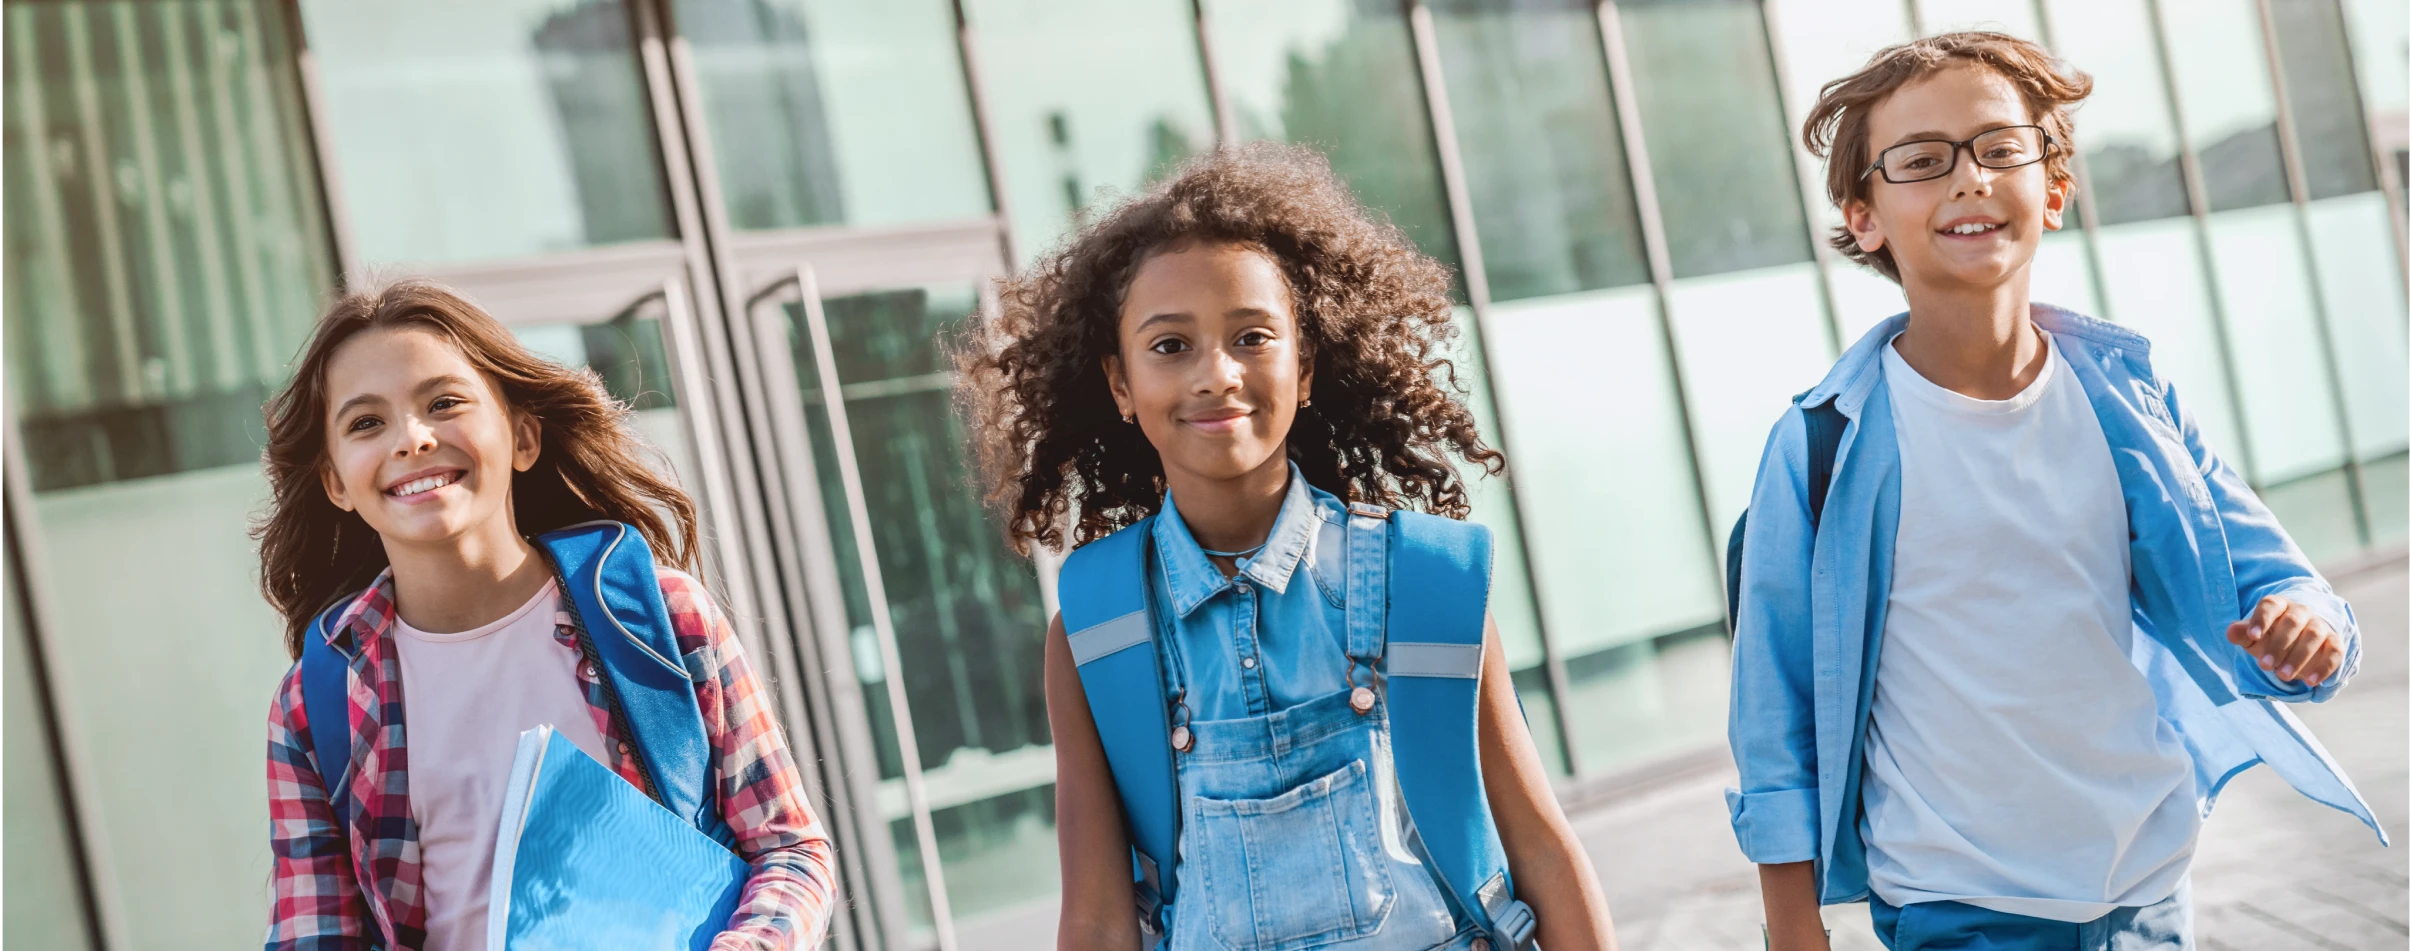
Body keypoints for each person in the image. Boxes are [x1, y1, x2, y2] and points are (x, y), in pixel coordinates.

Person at [1727, 32, 2383, 951]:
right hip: (1959, 908)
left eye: (2000, 149)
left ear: (2055, 187)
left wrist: (2303, 624)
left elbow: (2271, 577)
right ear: (1864, 214)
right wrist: (1792, 928)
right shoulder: (1822, 443)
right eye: (1922, 161)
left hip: (2150, 892)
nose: (1969, 180)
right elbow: (1775, 707)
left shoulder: (2127, 398)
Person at [957, 144, 1617, 950]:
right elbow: (1096, 919)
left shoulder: (1426, 582)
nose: (1217, 375)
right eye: (1171, 346)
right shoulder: (1096, 633)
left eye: (1252, 337)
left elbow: (1542, 850)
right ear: (1120, 385)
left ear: (1305, 364)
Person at [256, 281, 836, 950]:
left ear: (523, 435)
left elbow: (790, 849)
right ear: (336, 482)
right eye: (366, 423)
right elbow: (314, 936)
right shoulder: (312, 704)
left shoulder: (663, 618)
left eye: (444, 403)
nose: (412, 438)